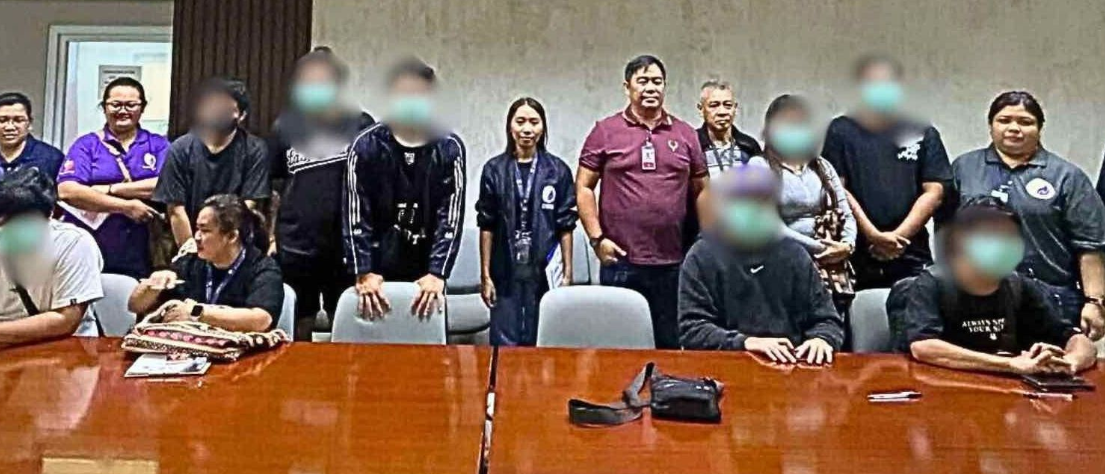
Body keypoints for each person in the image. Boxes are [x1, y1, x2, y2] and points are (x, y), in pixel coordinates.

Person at [577, 55, 709, 349]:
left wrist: (706, 239)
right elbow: (584, 187)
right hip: (621, 261)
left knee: (669, 347)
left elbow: (703, 189)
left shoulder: (685, 134)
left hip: (673, 263)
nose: (651, 88)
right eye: (643, 81)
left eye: (657, 81)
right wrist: (597, 240)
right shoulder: (605, 131)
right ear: (627, 87)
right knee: (620, 348)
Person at [951, 91, 1105, 338]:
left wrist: (1094, 301)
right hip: (976, 298)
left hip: (1051, 296)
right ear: (990, 125)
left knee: (1051, 360)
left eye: (1025, 122)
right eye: (1004, 120)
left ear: (1039, 128)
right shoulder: (964, 168)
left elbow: (1090, 245)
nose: (1014, 128)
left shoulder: (1066, 176)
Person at [889, 197, 1096, 374]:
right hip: (940, 388)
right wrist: (1010, 365)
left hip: (1004, 393)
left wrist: (1069, 363)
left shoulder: (1020, 286)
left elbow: (1077, 340)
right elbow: (924, 348)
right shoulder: (932, 283)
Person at [678, 165, 844, 364]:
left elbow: (827, 319)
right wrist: (745, 342)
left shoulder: (794, 254)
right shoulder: (701, 256)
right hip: (728, 365)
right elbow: (692, 330)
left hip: (790, 365)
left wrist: (822, 339)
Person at [344, 57, 465, 319]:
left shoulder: (449, 147)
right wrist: (363, 270)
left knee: (425, 338)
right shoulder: (366, 145)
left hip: (426, 270)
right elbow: (355, 213)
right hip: (375, 269)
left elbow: (451, 216)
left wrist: (437, 272)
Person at [269, 47, 375, 341]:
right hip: (296, 244)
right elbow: (274, 188)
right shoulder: (284, 127)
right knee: (297, 320)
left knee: (346, 319)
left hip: (344, 245)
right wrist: (272, 237)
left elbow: (374, 186)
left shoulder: (362, 124)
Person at [822, 54, 952, 290]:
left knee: (917, 308)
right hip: (856, 251)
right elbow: (837, 189)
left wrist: (898, 237)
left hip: (911, 252)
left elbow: (934, 192)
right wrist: (873, 235)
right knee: (858, 311)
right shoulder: (840, 130)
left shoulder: (922, 131)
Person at [476, 97, 577, 346]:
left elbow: (566, 225)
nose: (527, 129)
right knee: (504, 342)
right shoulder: (494, 170)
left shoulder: (558, 171)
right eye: (520, 121)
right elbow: (486, 225)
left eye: (534, 122)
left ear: (543, 127)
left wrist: (567, 274)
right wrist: (485, 275)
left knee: (541, 338)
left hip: (543, 268)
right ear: (510, 126)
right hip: (505, 267)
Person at [750, 95, 857, 317]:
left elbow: (845, 211)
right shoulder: (759, 166)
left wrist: (847, 245)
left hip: (832, 271)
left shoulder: (822, 166)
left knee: (834, 328)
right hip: (785, 266)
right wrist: (821, 249)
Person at [56, 77, 171, 279]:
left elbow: (166, 185)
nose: (123, 111)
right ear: (104, 107)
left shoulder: (158, 145)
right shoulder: (87, 144)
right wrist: (126, 207)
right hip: (89, 245)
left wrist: (111, 189)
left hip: (142, 248)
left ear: (142, 108)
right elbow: (67, 190)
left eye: (131, 105)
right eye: (115, 104)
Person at [128, 195, 283, 332]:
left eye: (205, 230)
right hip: (190, 347)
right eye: (197, 229)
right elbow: (135, 306)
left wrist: (197, 313)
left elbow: (261, 319)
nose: (196, 237)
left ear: (231, 236)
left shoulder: (263, 267)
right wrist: (151, 287)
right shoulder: (190, 261)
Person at [154, 77, 270, 246]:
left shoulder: (255, 149)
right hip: (189, 239)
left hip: (233, 242)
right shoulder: (181, 148)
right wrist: (192, 252)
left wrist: (223, 249)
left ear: (242, 115)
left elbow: (248, 205)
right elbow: (176, 209)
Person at [0, 168, 104, 348]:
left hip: (66, 348)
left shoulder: (74, 243)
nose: (14, 229)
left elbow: (65, 320)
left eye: (24, 222)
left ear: (50, 215)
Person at [696, 80, 763, 176]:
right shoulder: (693, 145)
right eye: (714, 105)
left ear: (735, 108)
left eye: (728, 105)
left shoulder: (749, 146)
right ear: (701, 109)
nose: (722, 112)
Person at [0, 92, 64, 181]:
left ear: (29, 123)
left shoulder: (51, 158)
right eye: (2, 120)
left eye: (18, 120)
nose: (9, 127)